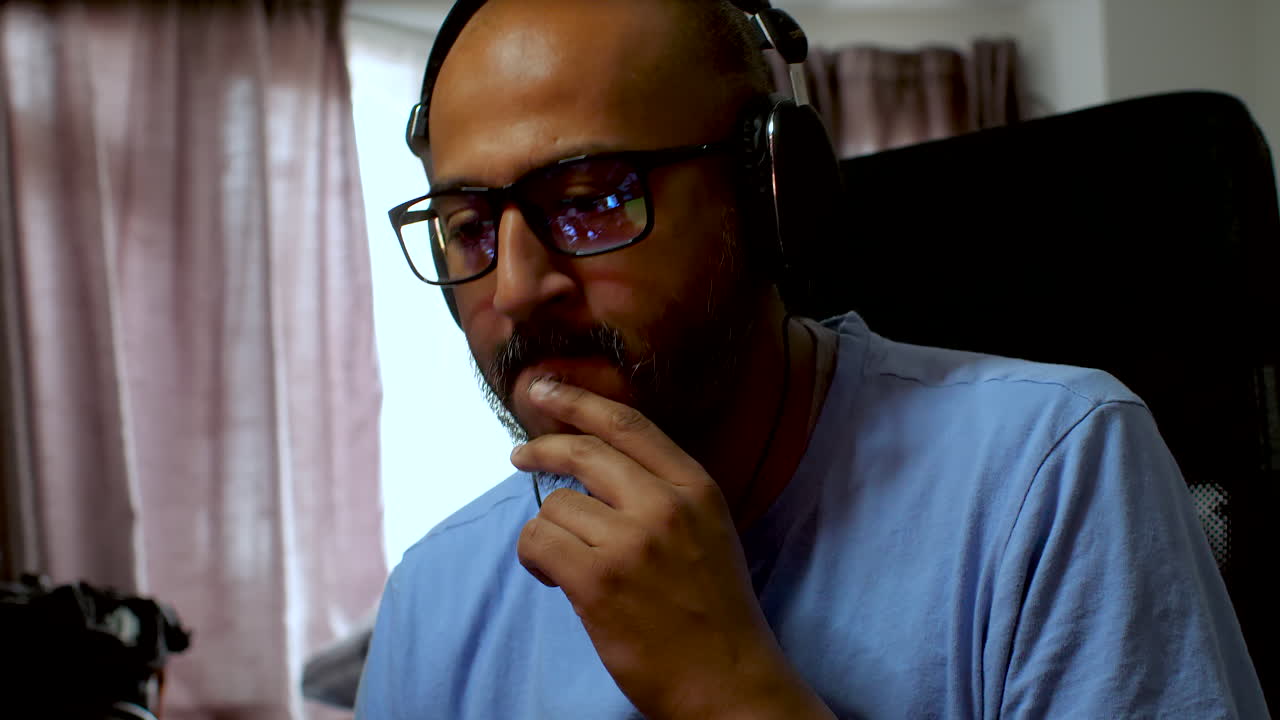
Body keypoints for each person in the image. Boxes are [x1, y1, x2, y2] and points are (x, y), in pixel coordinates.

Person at [355, 1, 1269, 718]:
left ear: (768, 201)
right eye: (469, 227)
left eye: (591, 201)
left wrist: (729, 690)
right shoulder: (436, 598)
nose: (514, 288)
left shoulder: (1053, 474)